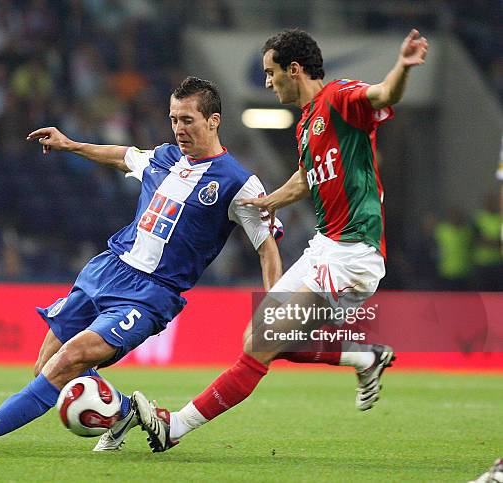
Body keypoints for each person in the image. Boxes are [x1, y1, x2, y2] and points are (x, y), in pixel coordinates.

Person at [0, 76, 283, 454]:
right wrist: (70, 145)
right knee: (45, 366)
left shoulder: (239, 182)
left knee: (69, 359)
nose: (179, 129)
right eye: (174, 119)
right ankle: (125, 412)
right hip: (106, 269)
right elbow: (123, 156)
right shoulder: (164, 157)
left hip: (150, 294)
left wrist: (274, 305)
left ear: (214, 120)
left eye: (188, 120)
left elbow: (267, 248)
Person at [133, 28, 429, 452]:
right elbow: (306, 178)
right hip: (323, 246)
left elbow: (383, 95)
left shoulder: (341, 98)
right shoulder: (307, 122)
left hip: (353, 253)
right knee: (260, 337)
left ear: (295, 69)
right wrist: (271, 200)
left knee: (263, 344)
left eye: (271, 73)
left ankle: (174, 427)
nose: (268, 82)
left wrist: (402, 66)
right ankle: (363, 356)